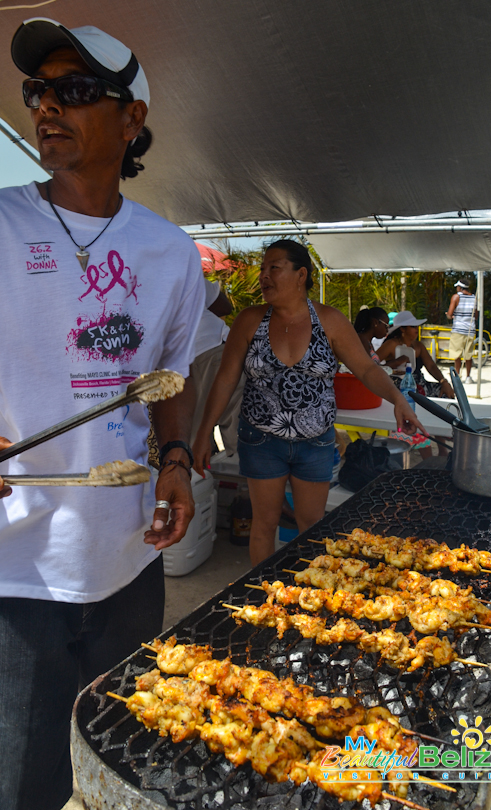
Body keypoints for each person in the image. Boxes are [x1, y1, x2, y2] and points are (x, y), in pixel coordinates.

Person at [0, 18, 205, 810]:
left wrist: (179, 458)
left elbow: (170, 377)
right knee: (23, 786)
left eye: (76, 90)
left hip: (128, 563)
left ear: (131, 118)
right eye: (36, 92)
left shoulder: (171, 253)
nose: (47, 107)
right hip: (18, 570)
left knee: (122, 760)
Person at [193, 240, 425, 566]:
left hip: (315, 443)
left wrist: (399, 399)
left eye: (274, 268)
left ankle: (309, 597)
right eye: (263, 269)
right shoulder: (249, 320)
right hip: (260, 440)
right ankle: (266, 596)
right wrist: (204, 432)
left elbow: (366, 368)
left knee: (312, 529)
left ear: (301, 274)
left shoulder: (329, 320)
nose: (264, 276)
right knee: (264, 525)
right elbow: (226, 379)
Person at [190, 278, 244, 454]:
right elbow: (222, 306)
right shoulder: (183, 269)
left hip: (201, 353)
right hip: (220, 347)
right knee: (237, 428)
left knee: (193, 439)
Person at [377, 311, 455, 399]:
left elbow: (431, 366)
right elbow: (373, 365)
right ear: (402, 329)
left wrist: (444, 382)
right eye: (413, 326)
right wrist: (395, 363)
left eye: (417, 326)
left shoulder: (419, 346)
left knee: (446, 392)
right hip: (398, 384)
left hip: (419, 383)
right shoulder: (391, 344)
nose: (417, 329)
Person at [446, 279, 477, 383]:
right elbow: (476, 315)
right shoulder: (474, 298)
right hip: (470, 329)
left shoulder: (456, 297)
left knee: (457, 354)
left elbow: (450, 314)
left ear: (460, 287)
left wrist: (450, 315)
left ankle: (458, 375)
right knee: (468, 354)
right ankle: (468, 377)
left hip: (458, 329)